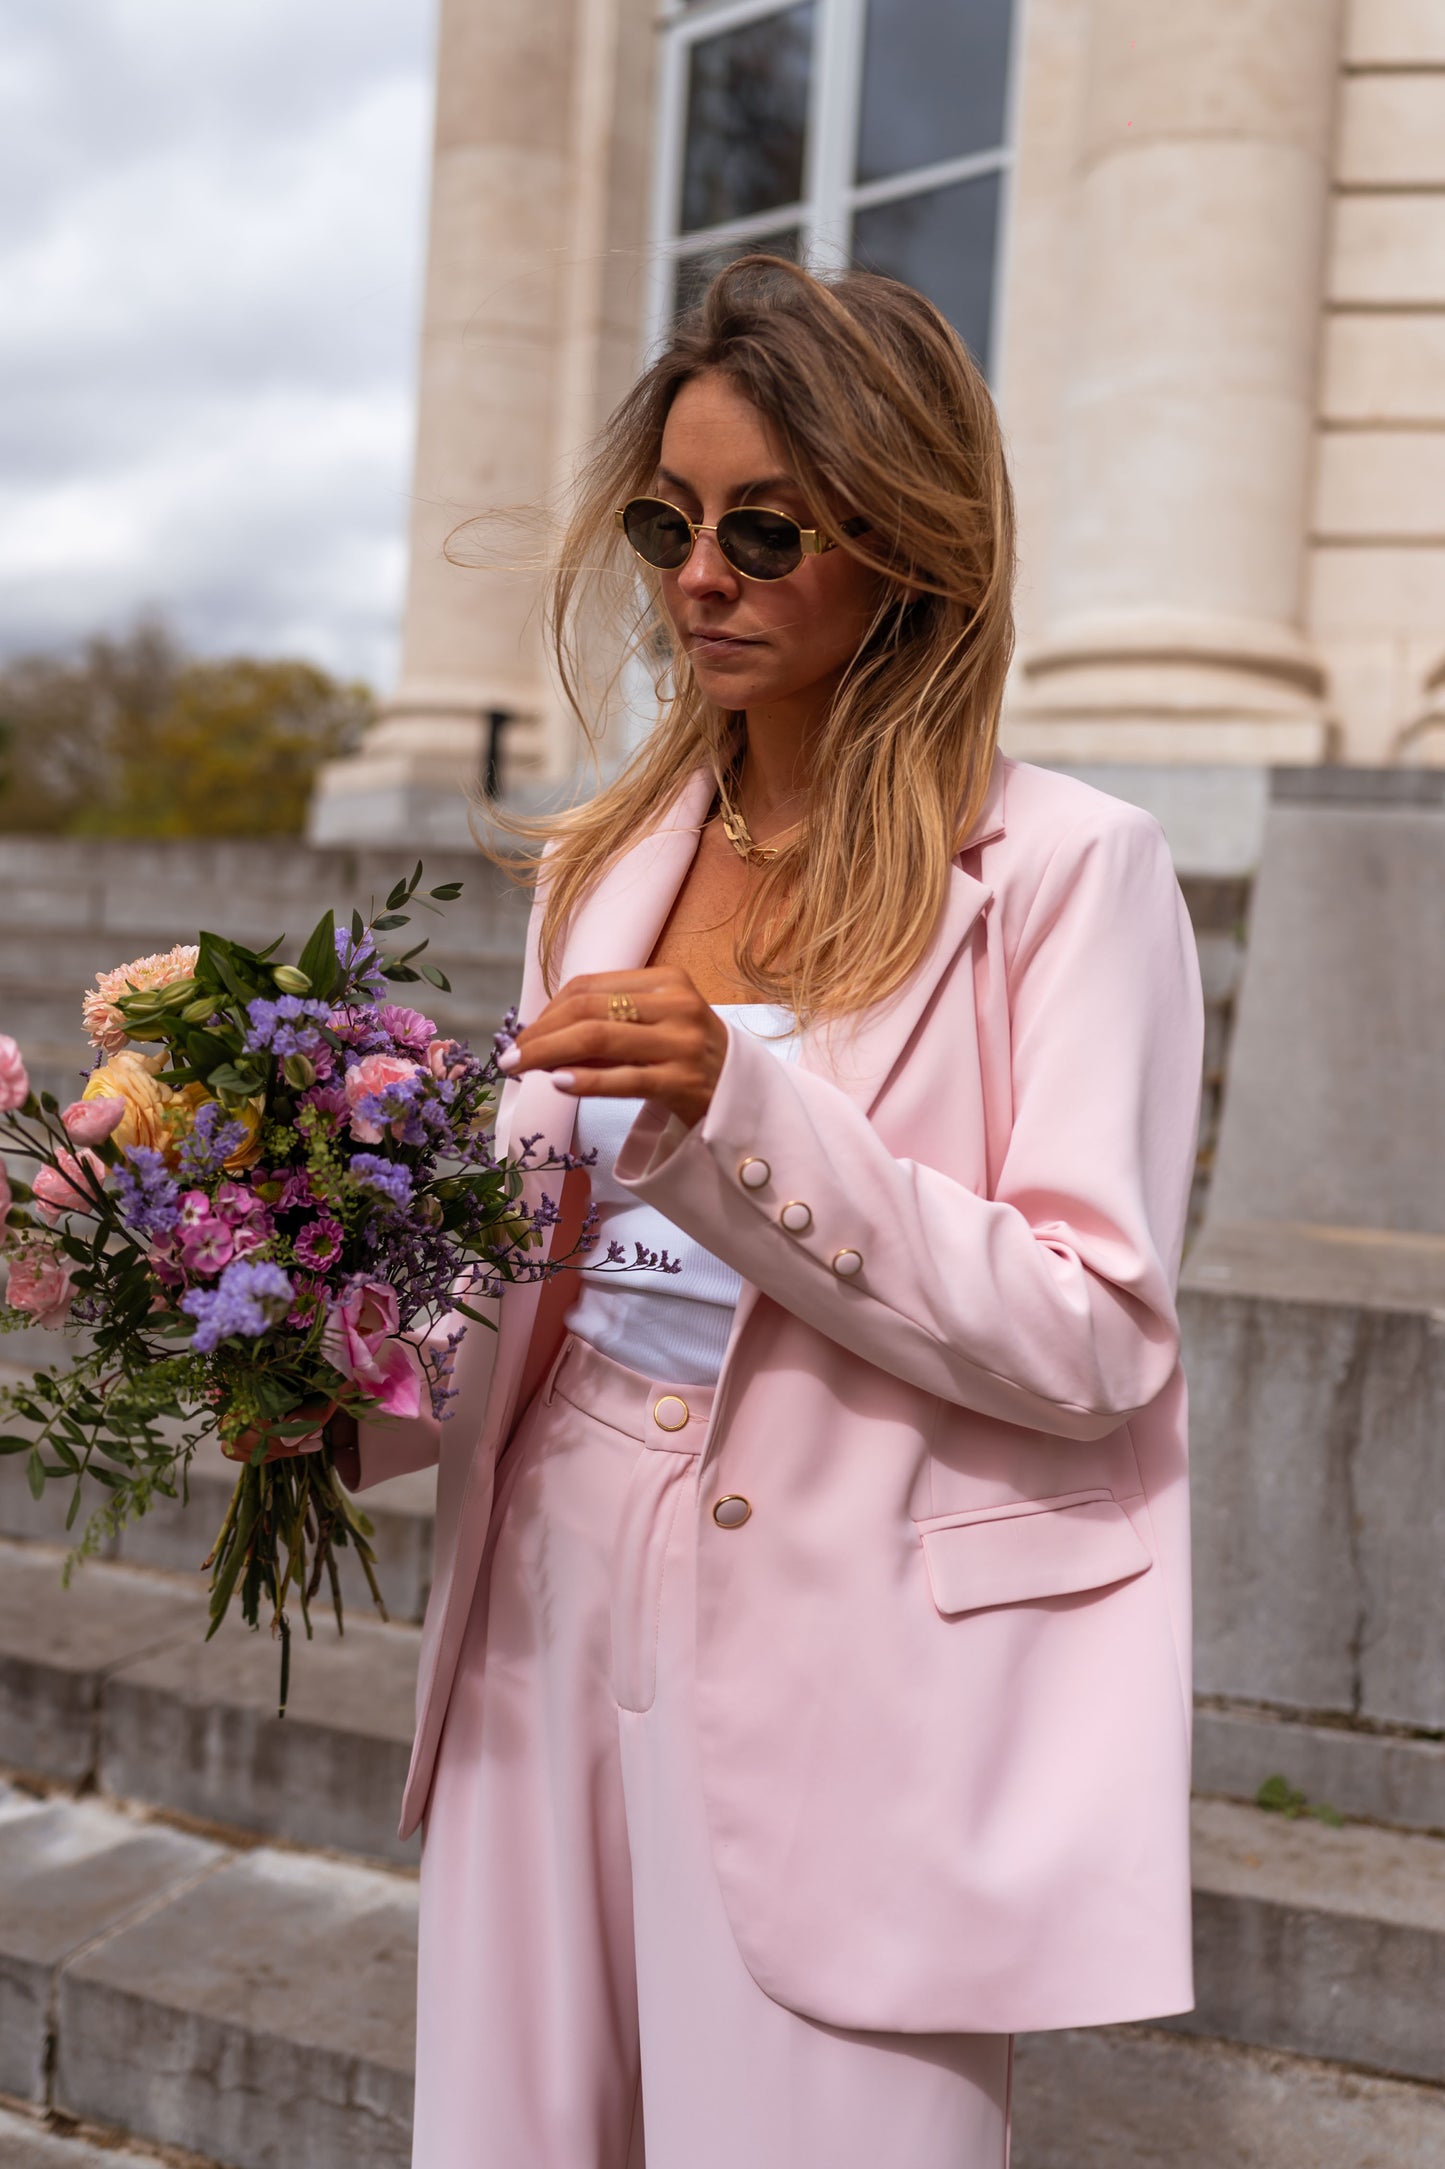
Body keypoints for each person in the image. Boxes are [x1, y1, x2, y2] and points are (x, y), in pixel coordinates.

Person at [327, 256, 1205, 2168]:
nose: (696, 575)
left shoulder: (1070, 870)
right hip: (541, 1574)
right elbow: (521, 1246)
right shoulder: (606, 866)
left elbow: (1091, 1328)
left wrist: (743, 1113)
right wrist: (332, 1379)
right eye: (664, 521)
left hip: (859, 1625)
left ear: (903, 538)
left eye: (759, 526)